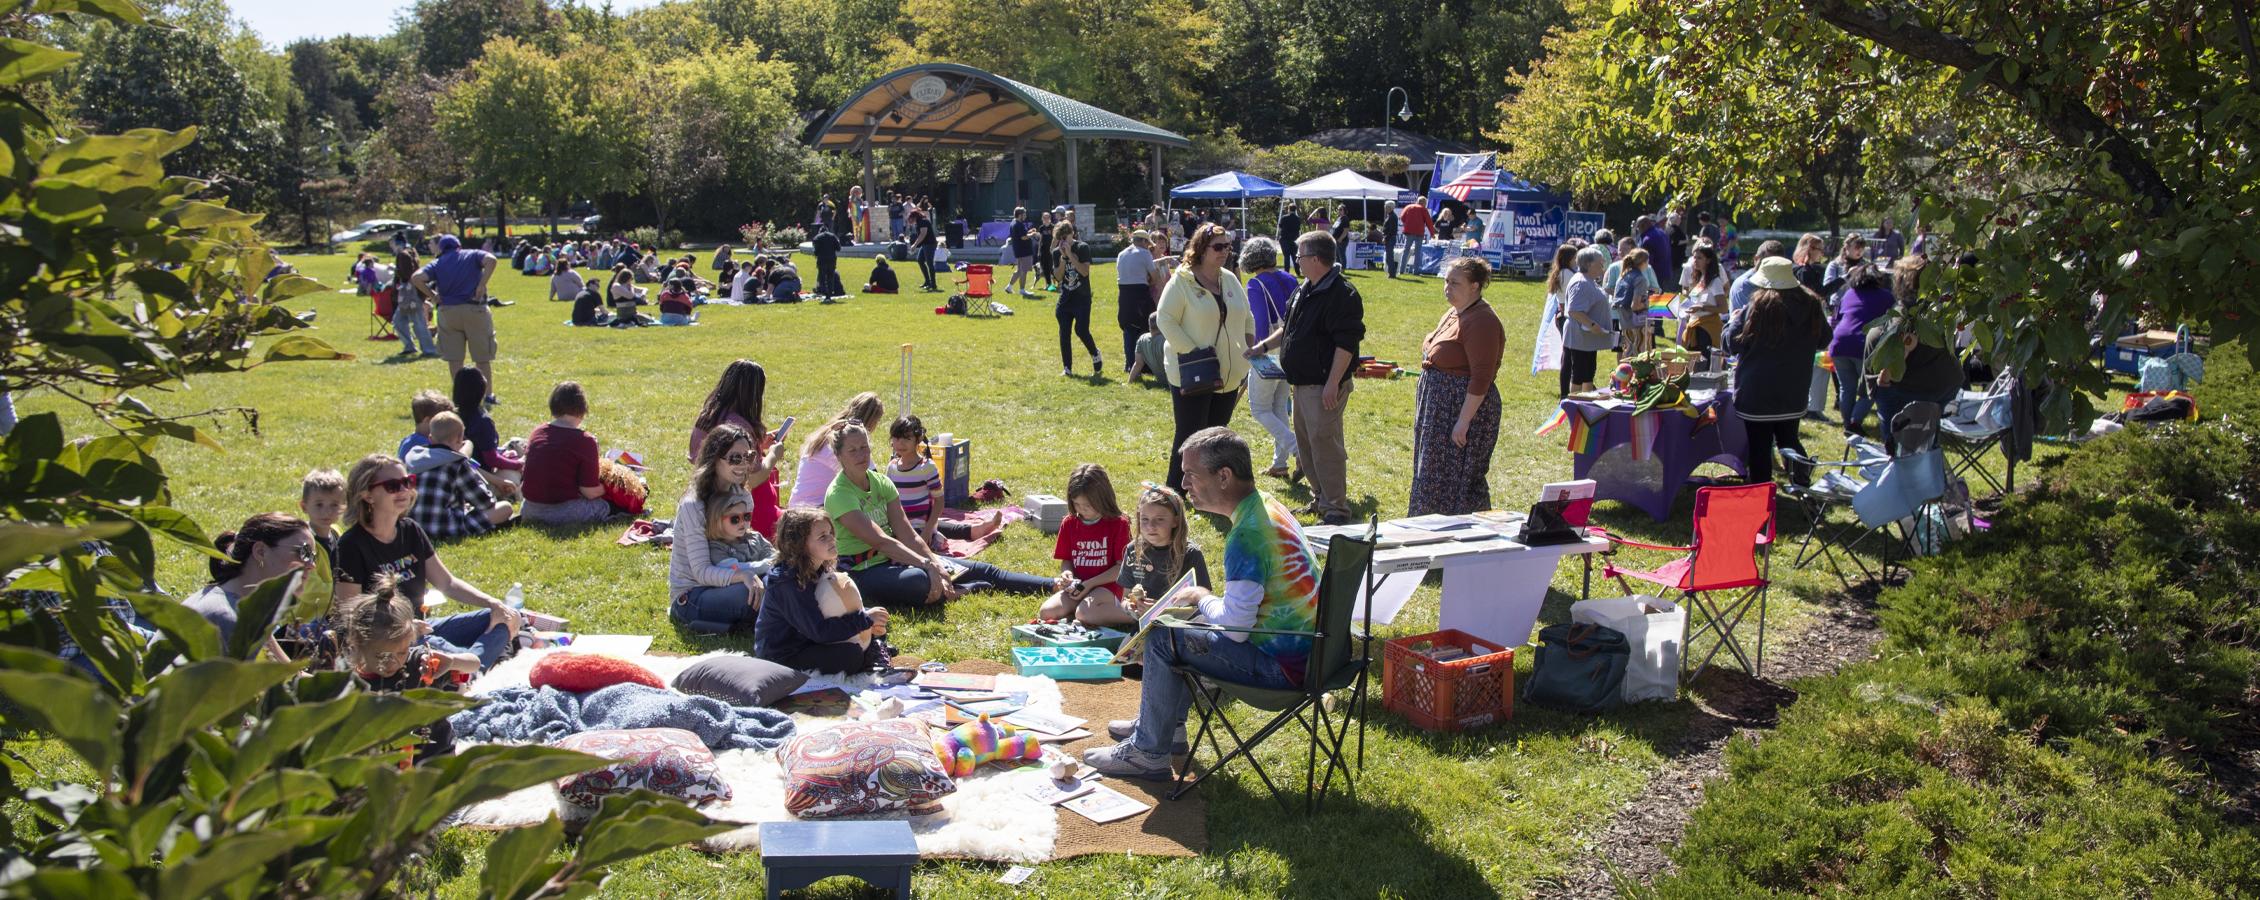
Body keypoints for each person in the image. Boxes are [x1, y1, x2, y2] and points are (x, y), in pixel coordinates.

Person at [1084, 427, 1320, 777]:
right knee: (1184, 624)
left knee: (1165, 636)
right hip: (1313, 655)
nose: (1184, 484)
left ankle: (1148, 752)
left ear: (1224, 476)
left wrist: (1202, 596)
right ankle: (1169, 729)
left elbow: (1236, 631)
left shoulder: (1247, 535)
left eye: (1191, 475)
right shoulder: (1266, 505)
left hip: (1282, 668)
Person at [823, 424, 1052, 607]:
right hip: (862, 571)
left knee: (983, 569)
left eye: (864, 447)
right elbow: (881, 541)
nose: (861, 455)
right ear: (839, 455)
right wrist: (928, 566)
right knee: (920, 581)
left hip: (895, 559)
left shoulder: (881, 482)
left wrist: (934, 563)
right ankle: (965, 589)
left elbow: (907, 534)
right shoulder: (839, 494)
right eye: (853, 450)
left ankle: (1054, 585)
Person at [333, 454, 521, 670]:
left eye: (408, 482)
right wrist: (405, 628)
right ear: (367, 495)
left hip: (425, 628)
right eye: (393, 486)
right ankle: (469, 665)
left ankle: (466, 666)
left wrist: (493, 603)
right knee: (447, 650)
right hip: (391, 642)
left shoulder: (410, 530)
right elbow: (352, 615)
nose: (404, 490)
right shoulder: (351, 546)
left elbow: (447, 583)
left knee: (503, 617)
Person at [1256, 231, 1363, 526]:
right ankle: (1321, 499)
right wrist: (1263, 347)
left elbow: (1347, 343)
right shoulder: (1305, 288)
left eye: (1300, 256)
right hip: (1302, 384)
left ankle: (1336, 509)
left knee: (1325, 445)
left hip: (1324, 385)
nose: (1297, 261)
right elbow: (1288, 328)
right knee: (1307, 444)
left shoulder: (1342, 293)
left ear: (1316, 259)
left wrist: (1332, 382)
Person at [332, 575, 477, 763]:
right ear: (357, 645)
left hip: (437, 759)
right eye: (382, 656)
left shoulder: (419, 664)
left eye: (401, 653)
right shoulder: (351, 685)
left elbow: (474, 663)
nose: (393, 663)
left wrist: (451, 660)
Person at [1158, 223, 1254, 493]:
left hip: (1229, 373)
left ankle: (1206, 490)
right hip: (1194, 372)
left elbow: (1247, 316)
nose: (1225, 251)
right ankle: (1175, 491)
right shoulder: (1182, 281)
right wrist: (1192, 353)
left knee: (1215, 435)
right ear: (1201, 249)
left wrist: (1247, 348)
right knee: (1190, 434)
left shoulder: (1230, 278)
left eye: (1228, 246)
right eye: (1218, 247)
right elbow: (1165, 319)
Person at [1410, 257, 1506, 516]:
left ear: (1475, 286)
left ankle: (1461, 533)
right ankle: (1427, 528)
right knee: (1432, 473)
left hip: (1462, 409)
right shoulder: (1455, 312)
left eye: (1455, 283)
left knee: (1458, 479)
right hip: (1440, 409)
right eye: (1446, 281)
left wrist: (1464, 421)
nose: (1447, 288)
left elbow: (1481, 376)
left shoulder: (1482, 320)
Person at [1723, 258, 1828, 484]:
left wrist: (1733, 321)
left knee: (1759, 449)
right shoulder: (1811, 305)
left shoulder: (1757, 307)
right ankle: (1802, 485)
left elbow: (1732, 343)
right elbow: (1824, 339)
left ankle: (1761, 498)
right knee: (1788, 441)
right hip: (1793, 390)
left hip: (1757, 393)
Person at [755, 508, 889, 673]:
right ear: (800, 546)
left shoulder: (817, 568)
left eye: (831, 532)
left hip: (808, 640)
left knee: (872, 627)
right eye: (822, 537)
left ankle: (873, 649)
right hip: (783, 656)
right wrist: (865, 619)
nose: (832, 539)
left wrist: (868, 616)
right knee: (850, 655)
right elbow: (819, 631)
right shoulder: (788, 583)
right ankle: (868, 657)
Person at [670, 426, 771, 634]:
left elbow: (744, 544)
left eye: (748, 456)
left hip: (731, 576)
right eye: (735, 458)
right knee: (751, 592)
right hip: (693, 595)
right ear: (715, 458)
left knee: (777, 580)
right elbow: (701, 572)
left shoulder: (742, 496)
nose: (744, 464)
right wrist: (745, 575)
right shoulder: (693, 505)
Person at [182, 512, 316, 656]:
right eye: (303, 552)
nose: (312, 565)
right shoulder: (230, 618)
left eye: (313, 556)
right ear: (260, 551)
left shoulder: (246, 610)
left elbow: (292, 674)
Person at [1867, 257, 1961, 453]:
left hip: (1911, 389)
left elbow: (1891, 368)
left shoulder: (1909, 316)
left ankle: (1901, 463)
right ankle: (1923, 461)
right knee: (1925, 436)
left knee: (1900, 444)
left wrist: (1881, 382)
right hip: (1943, 383)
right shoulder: (1941, 310)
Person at [689, 359, 786, 538]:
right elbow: (752, 479)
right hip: (747, 513)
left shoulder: (708, 417)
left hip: (714, 504)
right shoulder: (739, 425)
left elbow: (721, 454)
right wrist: (773, 455)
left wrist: (758, 444)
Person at [1035, 463, 1132, 626]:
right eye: (1077, 504)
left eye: (1087, 505)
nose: (1082, 510)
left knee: (1084, 613)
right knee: (1046, 612)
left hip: (1108, 586)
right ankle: (1084, 612)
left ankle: (1135, 615)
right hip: (1079, 586)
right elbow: (1067, 560)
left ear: (1103, 498)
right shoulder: (1070, 522)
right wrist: (1067, 575)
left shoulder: (1119, 523)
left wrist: (1090, 584)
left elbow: (1121, 568)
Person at [409, 235, 501, 405]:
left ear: (442, 249)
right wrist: (482, 284)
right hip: (475, 310)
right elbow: (491, 260)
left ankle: (461, 397)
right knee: (482, 358)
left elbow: (416, 277)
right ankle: (488, 395)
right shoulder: (472, 254)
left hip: (448, 312)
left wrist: (433, 295)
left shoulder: (438, 263)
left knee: (455, 359)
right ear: (458, 245)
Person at [883, 415, 1000, 549]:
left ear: (918, 439)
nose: (900, 443)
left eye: (906, 438)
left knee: (908, 549)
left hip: (918, 527)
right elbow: (886, 499)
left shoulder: (926, 467)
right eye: (896, 438)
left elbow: (939, 501)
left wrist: (927, 531)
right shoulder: (892, 467)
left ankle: (941, 536)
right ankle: (970, 531)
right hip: (898, 525)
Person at [1236, 237, 1299, 478]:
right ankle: (1280, 464)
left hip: (1269, 348)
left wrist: (1257, 350)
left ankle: (1297, 449)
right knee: (1279, 406)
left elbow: (1261, 323)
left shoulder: (1255, 284)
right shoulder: (1290, 277)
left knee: (1260, 408)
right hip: (1290, 348)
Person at [406, 412, 515, 540]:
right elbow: (484, 502)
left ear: (430, 438)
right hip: (445, 529)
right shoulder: (456, 463)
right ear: (460, 441)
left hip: (414, 527)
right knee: (505, 508)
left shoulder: (414, 459)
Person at [517, 381, 612, 526]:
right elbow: (590, 492)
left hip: (529, 509)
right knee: (605, 505)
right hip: (563, 511)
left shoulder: (537, 432)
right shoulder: (585, 440)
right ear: (582, 408)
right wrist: (611, 487)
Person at [1831, 263, 1897, 436]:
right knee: (1871, 387)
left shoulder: (1848, 294)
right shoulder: (1887, 297)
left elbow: (1837, 317)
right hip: (1864, 344)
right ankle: (1854, 421)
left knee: (1847, 387)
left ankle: (1848, 424)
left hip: (1840, 343)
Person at [1118, 483, 1211, 604]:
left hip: (1178, 621)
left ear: (1175, 521)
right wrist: (1130, 608)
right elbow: (1125, 598)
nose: (1151, 526)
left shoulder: (1190, 554)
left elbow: (1204, 598)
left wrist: (1159, 611)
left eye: (1160, 519)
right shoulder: (1133, 549)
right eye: (1145, 519)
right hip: (1140, 621)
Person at [791, 392, 885, 509]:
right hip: (815, 513)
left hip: (797, 507)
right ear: (871, 422)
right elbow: (874, 483)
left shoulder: (829, 432)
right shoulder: (846, 440)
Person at [450, 368, 522, 497]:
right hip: (480, 478)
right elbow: (491, 460)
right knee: (519, 463)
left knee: (517, 443)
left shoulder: (450, 416)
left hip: (458, 475)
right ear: (481, 390)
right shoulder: (482, 421)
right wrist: (518, 464)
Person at [1561, 246, 1616, 393]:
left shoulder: (1588, 280)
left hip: (1587, 339)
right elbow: (1574, 310)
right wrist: (1593, 325)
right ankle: (1576, 408)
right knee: (1580, 375)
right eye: (1600, 263)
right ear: (1589, 264)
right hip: (1581, 337)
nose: (1602, 266)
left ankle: (1585, 406)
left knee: (1587, 375)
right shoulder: (1581, 282)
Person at [1052, 221, 1101, 376]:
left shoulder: (1082, 248)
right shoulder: (1056, 253)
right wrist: (1062, 259)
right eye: (1060, 238)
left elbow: (1084, 272)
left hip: (1082, 298)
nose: (1062, 242)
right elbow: (1058, 277)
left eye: (1064, 238)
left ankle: (1095, 353)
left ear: (1071, 234)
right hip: (1065, 298)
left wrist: (1070, 257)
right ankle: (1067, 368)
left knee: (1081, 330)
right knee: (1064, 332)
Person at [1538, 243, 1583, 398]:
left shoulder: (1562, 272)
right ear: (1570, 258)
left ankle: (1573, 387)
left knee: (1569, 356)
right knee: (1570, 357)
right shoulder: (1567, 274)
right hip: (1566, 316)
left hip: (1562, 315)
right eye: (1575, 257)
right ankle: (1567, 391)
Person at [1114, 231, 1161, 372]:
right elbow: (1155, 277)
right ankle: (1145, 364)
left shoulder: (1121, 254)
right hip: (1140, 294)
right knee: (1145, 329)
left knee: (1128, 329)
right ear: (1144, 242)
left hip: (1124, 295)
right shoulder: (1145, 253)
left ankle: (1129, 364)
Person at [384, 250, 438, 359]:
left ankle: (428, 349)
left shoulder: (414, 274)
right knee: (398, 321)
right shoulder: (400, 274)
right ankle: (409, 346)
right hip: (404, 302)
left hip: (414, 302)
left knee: (419, 325)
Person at [1679, 244, 1729, 359]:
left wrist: (1702, 307)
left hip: (1708, 329)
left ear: (1708, 260)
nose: (1695, 260)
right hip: (1694, 326)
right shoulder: (1700, 278)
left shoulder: (1714, 281)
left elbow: (1723, 308)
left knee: (1703, 367)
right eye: (1694, 257)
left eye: (1699, 258)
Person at [1612, 248, 1656, 356]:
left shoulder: (1623, 276)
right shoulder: (1640, 279)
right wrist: (1649, 303)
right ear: (1644, 262)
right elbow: (1635, 305)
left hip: (1625, 323)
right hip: (1639, 324)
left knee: (1628, 353)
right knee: (1641, 356)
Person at [1728, 240, 1787, 319]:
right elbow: (1751, 320)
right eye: (1768, 263)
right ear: (1756, 259)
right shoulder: (1745, 284)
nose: (1772, 268)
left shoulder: (1781, 281)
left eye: (1777, 264)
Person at [299, 468, 347, 561]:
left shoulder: (336, 532)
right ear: (304, 507)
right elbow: (305, 573)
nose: (327, 512)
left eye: (334, 505)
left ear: (343, 507)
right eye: (319, 505)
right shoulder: (303, 541)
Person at [399, 389, 453, 460]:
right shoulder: (424, 445)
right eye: (444, 423)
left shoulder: (408, 440)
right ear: (428, 421)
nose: (447, 427)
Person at [1636, 215, 1676, 292]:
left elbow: (1646, 262)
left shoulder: (1647, 239)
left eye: (1638, 227)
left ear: (1643, 226)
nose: (1638, 230)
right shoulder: (1662, 232)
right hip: (1667, 272)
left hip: (1655, 275)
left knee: (1655, 300)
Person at [1005, 207, 1037, 297]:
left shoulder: (1014, 223)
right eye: (1024, 214)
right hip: (1024, 251)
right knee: (1024, 271)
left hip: (1019, 250)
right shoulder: (1018, 224)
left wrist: (1029, 232)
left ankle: (1009, 287)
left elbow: (1021, 234)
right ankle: (1022, 290)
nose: (1025, 215)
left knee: (1019, 270)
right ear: (1020, 215)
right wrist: (1033, 234)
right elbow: (1023, 237)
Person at [1398, 198, 1433, 277]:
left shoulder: (1408, 207)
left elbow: (1402, 217)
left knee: (1406, 251)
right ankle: (1416, 271)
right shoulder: (1423, 209)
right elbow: (1429, 222)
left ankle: (1401, 270)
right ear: (1423, 203)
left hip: (1409, 232)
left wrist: (1407, 224)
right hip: (1419, 233)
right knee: (1417, 252)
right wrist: (1432, 233)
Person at [909, 207, 939, 292]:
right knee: (920, 260)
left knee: (930, 264)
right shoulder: (919, 222)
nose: (909, 220)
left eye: (910, 218)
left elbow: (923, 234)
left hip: (930, 244)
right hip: (925, 244)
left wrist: (915, 245)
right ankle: (927, 282)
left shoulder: (923, 222)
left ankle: (933, 285)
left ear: (914, 217)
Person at [812, 226, 844, 300]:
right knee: (830, 277)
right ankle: (829, 293)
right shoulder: (833, 236)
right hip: (832, 260)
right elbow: (838, 248)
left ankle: (825, 292)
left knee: (822, 278)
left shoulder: (817, 238)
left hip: (822, 260)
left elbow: (816, 251)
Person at [1381, 200, 1402, 278]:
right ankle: (1391, 273)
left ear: (1390, 207)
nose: (1385, 208)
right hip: (1390, 238)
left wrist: (1385, 238)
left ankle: (1392, 274)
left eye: (1386, 207)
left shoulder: (1392, 217)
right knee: (1388, 257)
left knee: (1389, 257)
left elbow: (1391, 230)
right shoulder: (1390, 216)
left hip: (1390, 238)